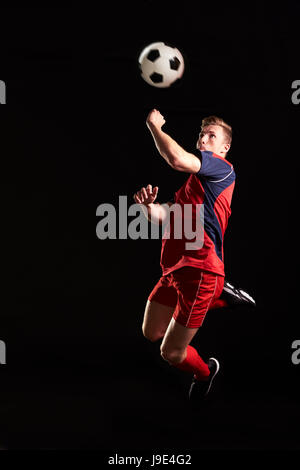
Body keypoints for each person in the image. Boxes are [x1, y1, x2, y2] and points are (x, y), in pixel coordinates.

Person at [134, 109, 254, 400]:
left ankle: (205, 373)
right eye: (202, 135)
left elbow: (176, 159)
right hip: (174, 270)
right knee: (150, 332)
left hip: (201, 269)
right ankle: (220, 296)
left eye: (211, 136)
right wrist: (148, 208)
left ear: (224, 147)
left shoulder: (221, 168)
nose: (203, 139)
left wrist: (155, 127)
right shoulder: (193, 186)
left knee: (171, 352)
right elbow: (165, 216)